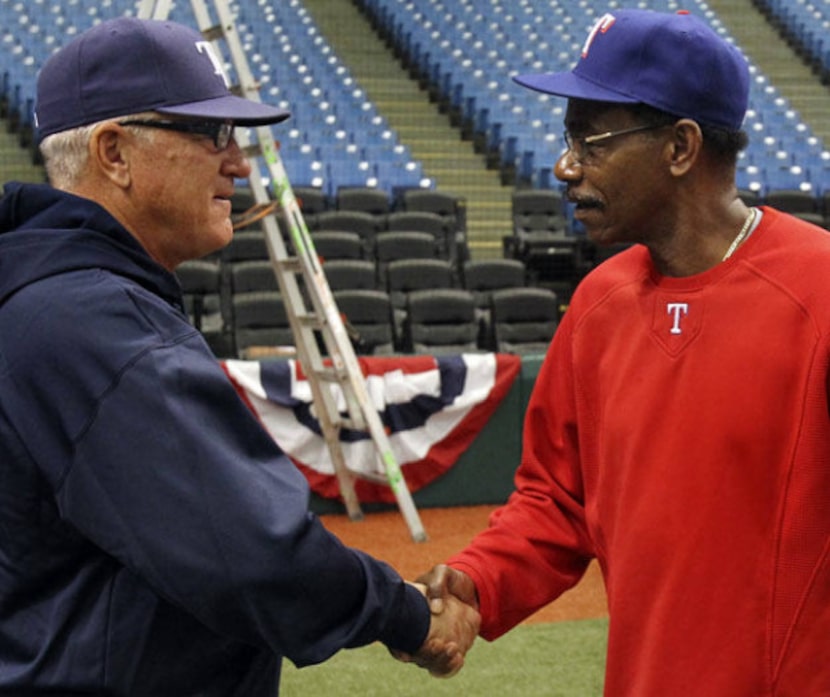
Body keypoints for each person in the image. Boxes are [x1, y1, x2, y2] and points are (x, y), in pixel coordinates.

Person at [0, 17, 479, 696]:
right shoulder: (92, 321)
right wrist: (403, 613)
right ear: (113, 153)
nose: (239, 162)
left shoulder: (42, 299)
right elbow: (254, 554)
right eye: (211, 133)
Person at [419, 8, 830, 695]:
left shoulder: (817, 291)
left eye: (591, 139)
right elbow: (557, 498)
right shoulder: (599, 304)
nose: (565, 164)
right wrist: (479, 584)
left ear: (679, 146)